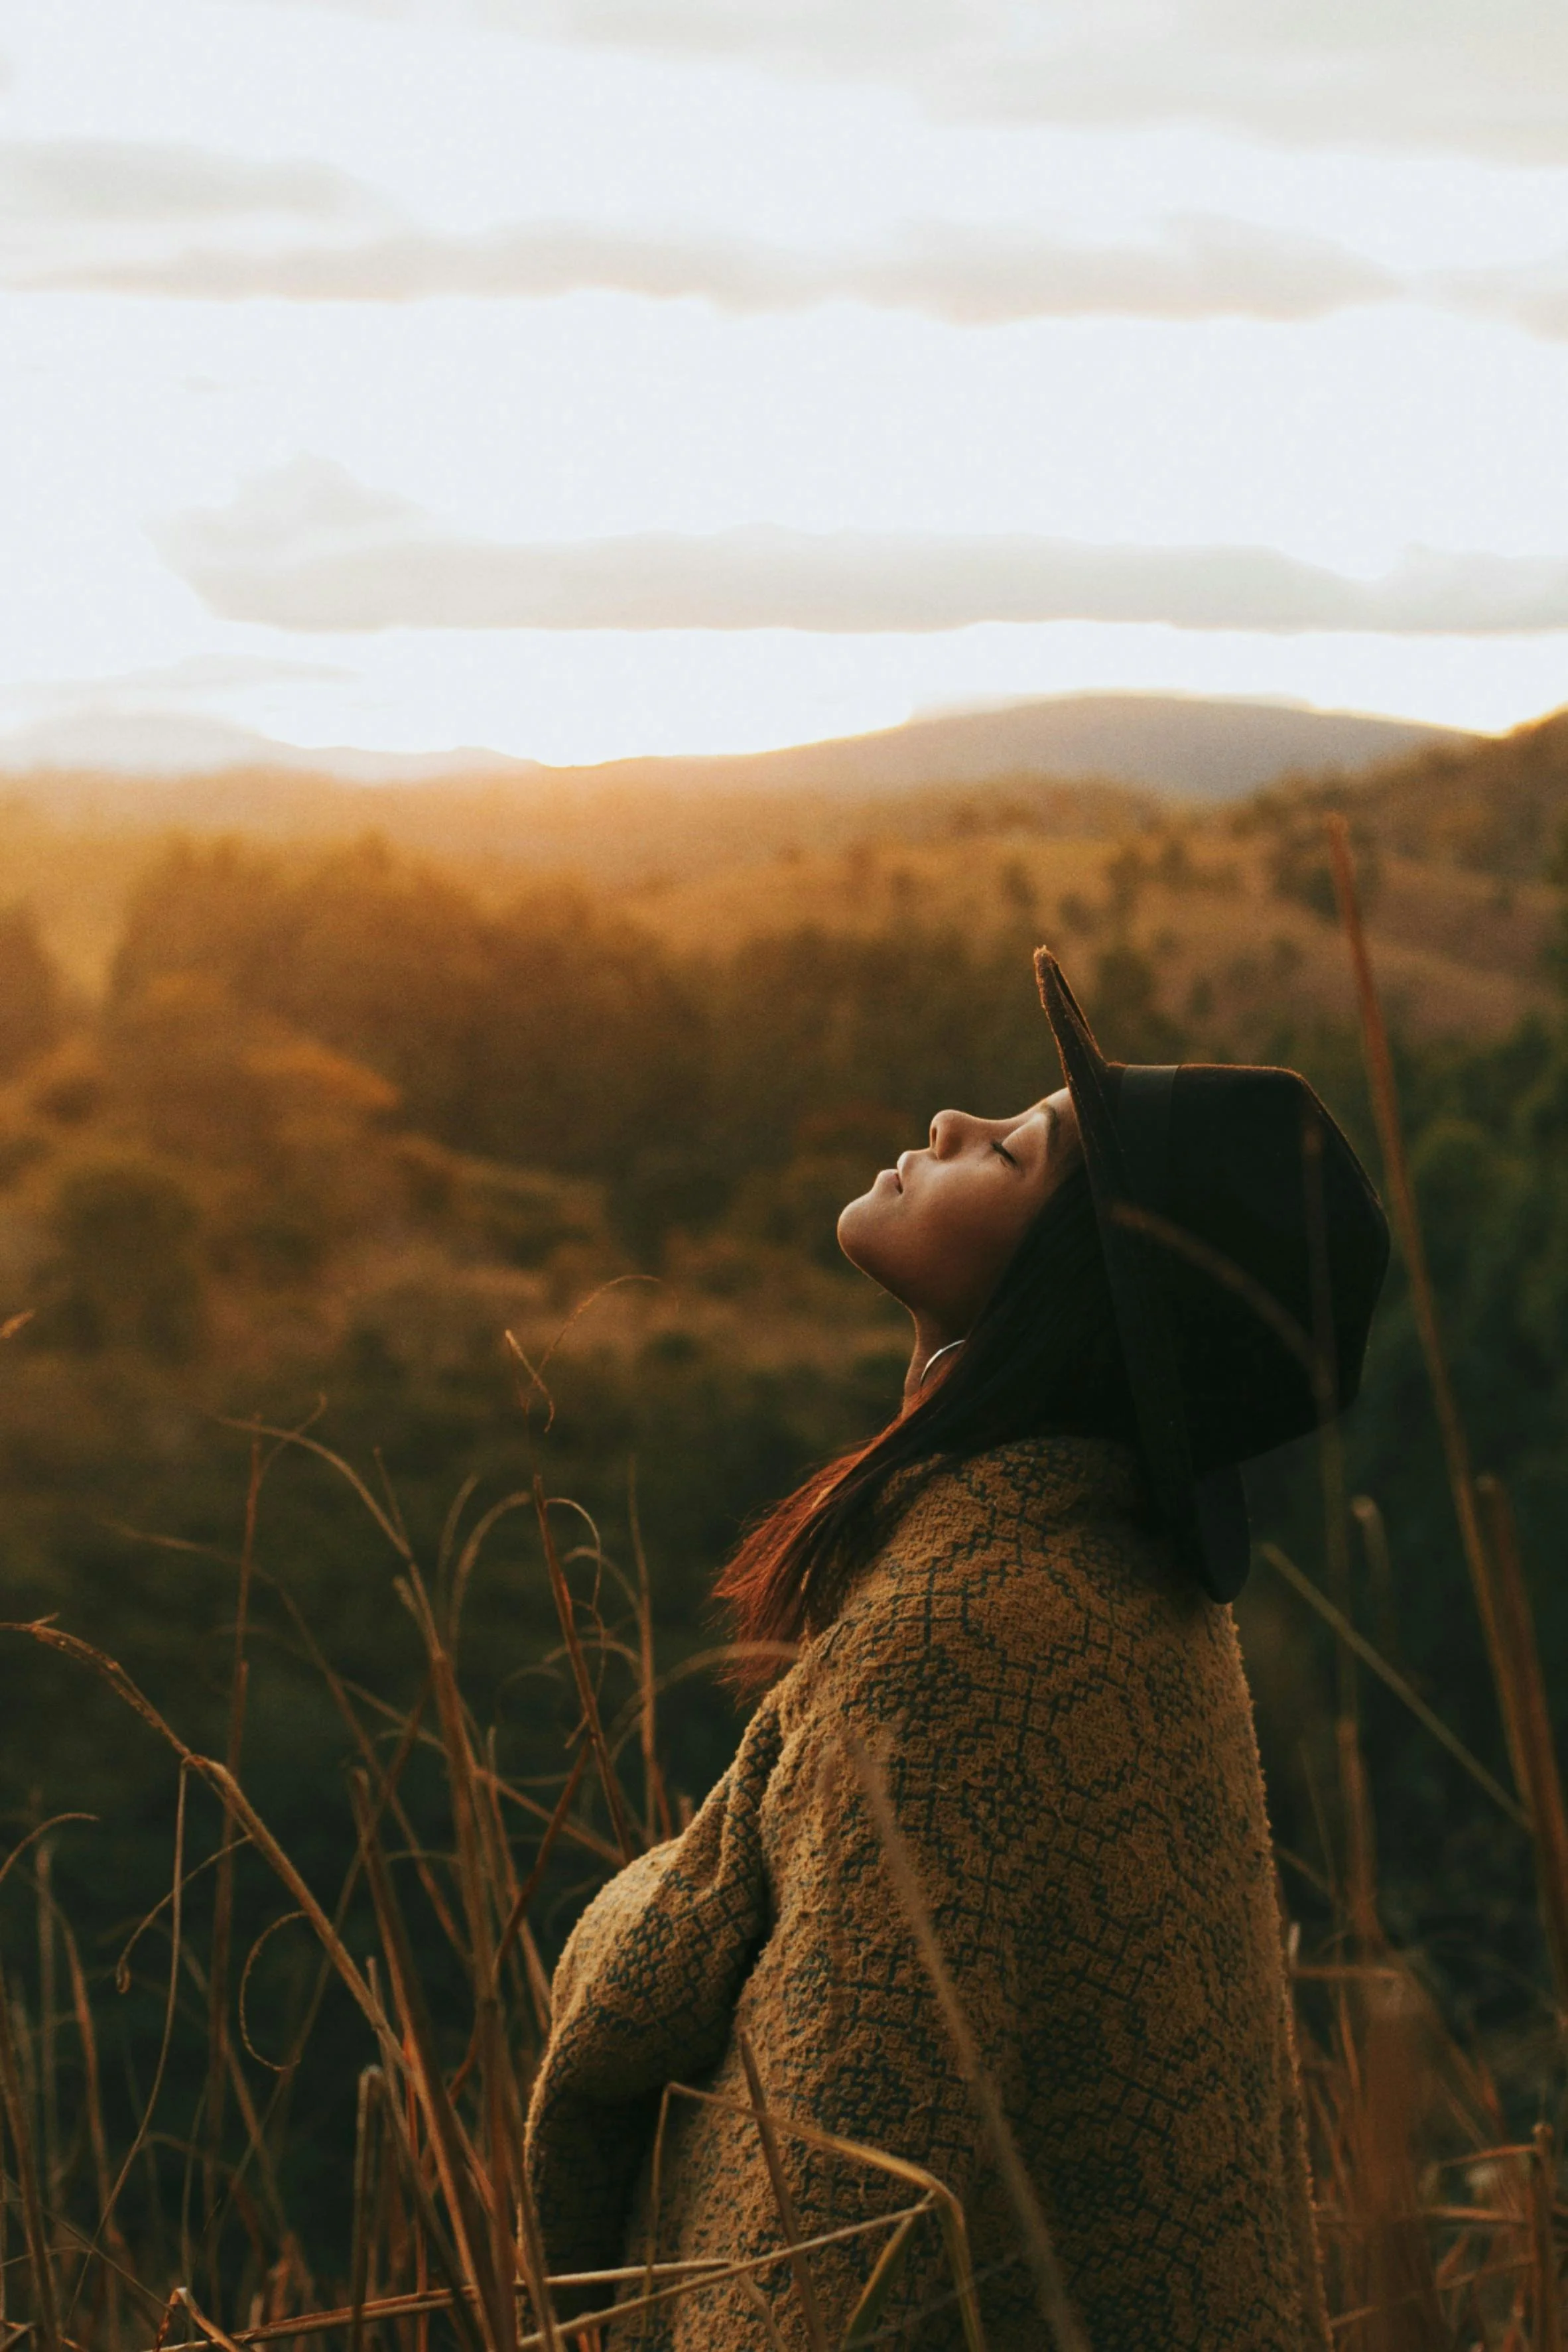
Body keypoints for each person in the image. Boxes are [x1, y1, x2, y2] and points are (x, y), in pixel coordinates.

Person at [523, 947, 1390, 2349]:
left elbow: (827, 2226)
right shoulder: (1120, 1593)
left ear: (1080, 1282)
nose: (949, 1124)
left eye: (1023, 1151)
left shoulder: (966, 1641)